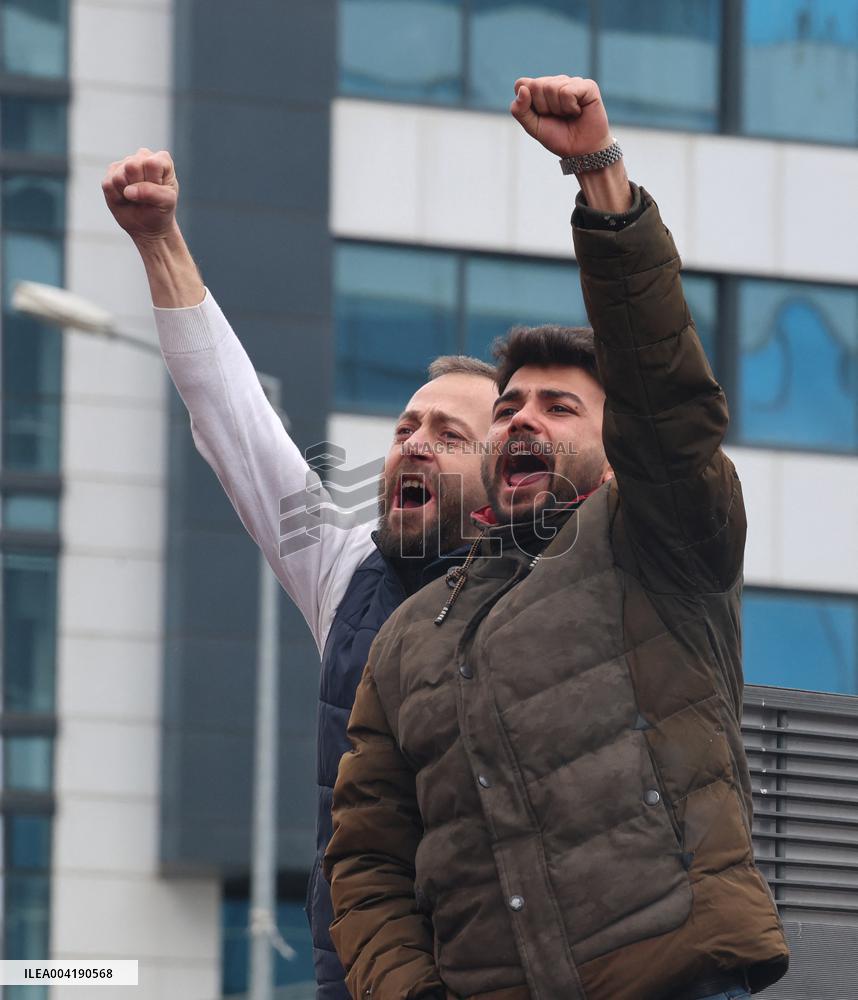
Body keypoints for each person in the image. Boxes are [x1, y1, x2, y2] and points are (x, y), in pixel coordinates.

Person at [324, 75, 790, 1000]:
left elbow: (666, 397)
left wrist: (599, 179)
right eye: (508, 407)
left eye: (559, 405)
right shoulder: (410, 638)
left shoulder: (658, 542)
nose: (523, 421)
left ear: (617, 447)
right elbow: (368, 861)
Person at [102, 152, 497, 999]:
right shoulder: (345, 565)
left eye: (449, 435)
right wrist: (159, 238)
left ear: (506, 491)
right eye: (406, 427)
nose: (415, 442)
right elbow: (231, 417)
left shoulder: (542, 604)